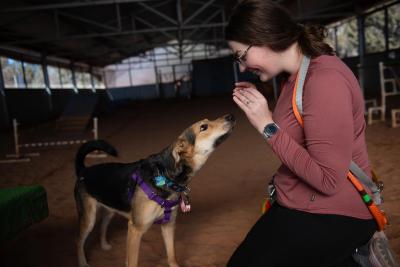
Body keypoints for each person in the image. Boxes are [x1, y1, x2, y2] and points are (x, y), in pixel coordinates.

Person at [225, 0, 377, 266]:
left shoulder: (324, 79)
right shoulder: (294, 77)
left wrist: (266, 124)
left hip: (334, 213)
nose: (242, 67)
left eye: (241, 56)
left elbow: (329, 180)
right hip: (302, 204)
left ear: (263, 39)